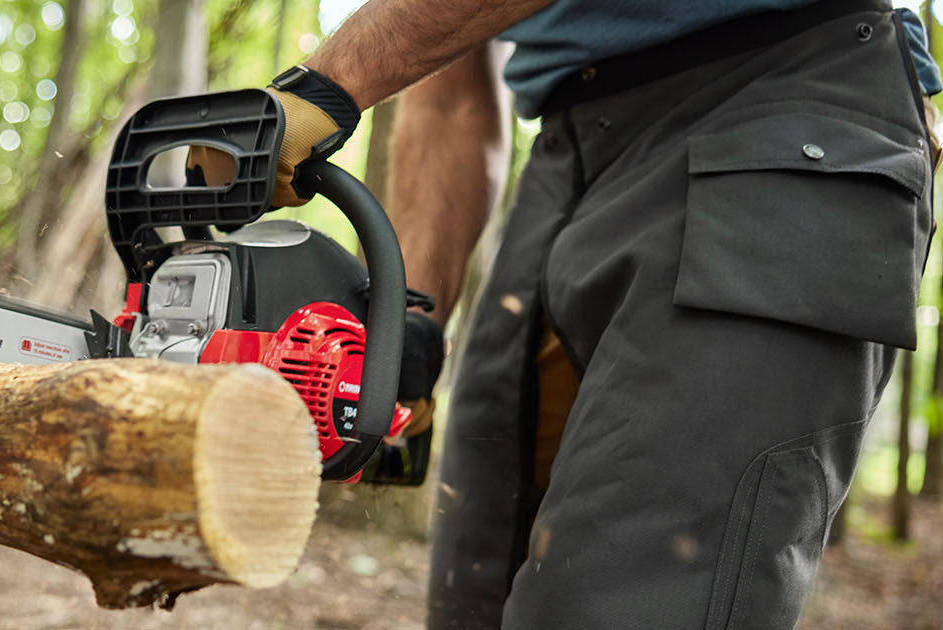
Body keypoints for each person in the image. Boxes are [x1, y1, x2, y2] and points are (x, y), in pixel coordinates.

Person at [255, 0, 941, 627]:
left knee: (631, 601)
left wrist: (330, 79)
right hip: (566, 142)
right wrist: (410, 326)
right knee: (477, 589)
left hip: (782, 100)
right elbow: (452, 96)